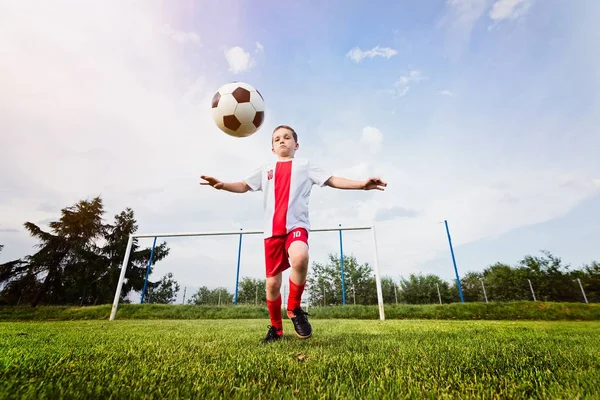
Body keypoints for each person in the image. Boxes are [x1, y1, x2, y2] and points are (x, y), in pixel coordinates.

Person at [200, 125, 387, 344]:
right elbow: (243, 185)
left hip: (296, 226)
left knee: (300, 257)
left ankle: (294, 307)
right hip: (272, 232)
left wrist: (361, 185)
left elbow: (332, 180)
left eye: (287, 138)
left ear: (296, 145)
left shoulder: (304, 166)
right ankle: (276, 330)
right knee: (272, 285)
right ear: (272, 148)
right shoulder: (265, 169)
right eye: (277, 139)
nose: (282, 141)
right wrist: (223, 185)